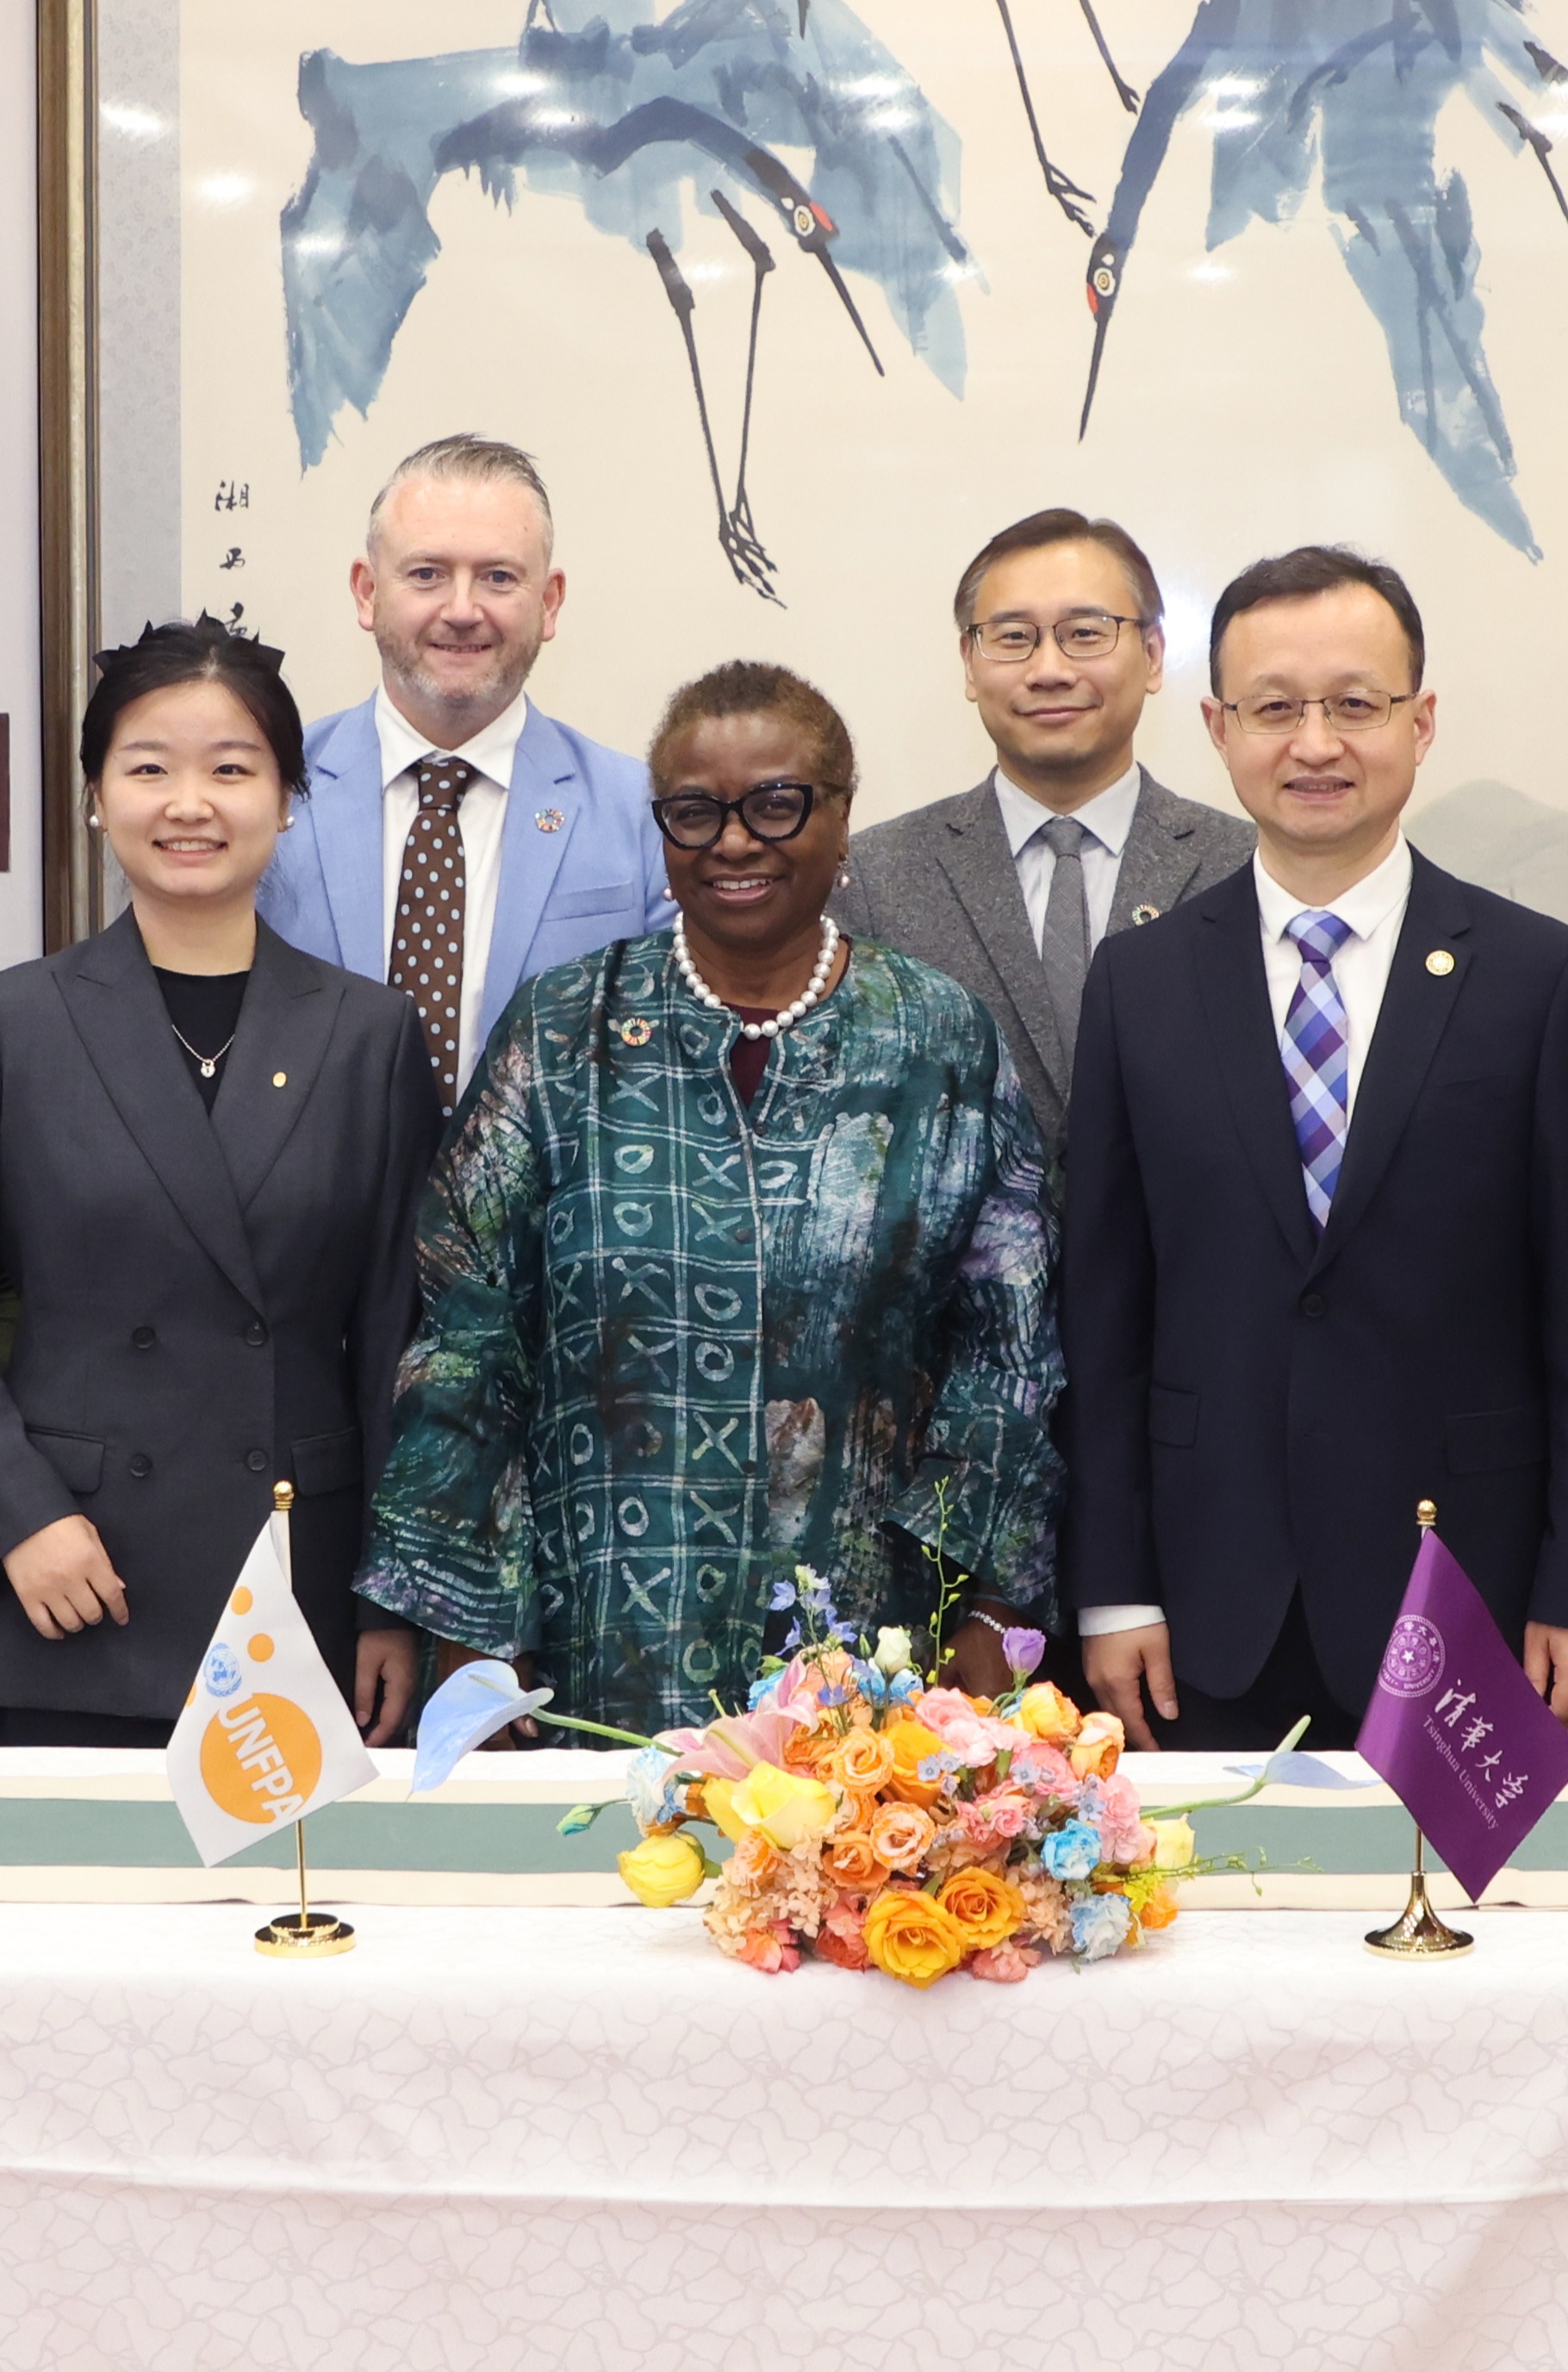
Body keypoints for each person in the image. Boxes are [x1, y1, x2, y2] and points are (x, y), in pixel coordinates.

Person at [366, 661, 1058, 1717]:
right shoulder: (561, 1032)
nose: (733, 841)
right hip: (592, 1652)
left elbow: (1005, 1351)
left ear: (840, 818)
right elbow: (465, 1342)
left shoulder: (938, 1038)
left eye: (776, 804)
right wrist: (467, 1628)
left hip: (866, 1668)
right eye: (694, 812)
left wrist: (985, 1604)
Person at [1058, 546, 1568, 1740]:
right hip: (1205, 1597)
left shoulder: (1540, 980)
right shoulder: (1139, 981)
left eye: (1355, 704)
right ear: (1219, 729)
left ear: (1419, 722)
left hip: (1467, 1583)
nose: (1315, 742)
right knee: (1212, 1871)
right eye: (1274, 708)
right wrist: (1112, 1585)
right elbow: (1105, 1315)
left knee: (1456, 1873)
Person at [0, 620, 439, 1740]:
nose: (190, 803)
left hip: (295, 1575)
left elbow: (401, 1342)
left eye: (231, 768)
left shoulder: (368, 1033)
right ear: (96, 796)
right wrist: (17, 1513)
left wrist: (393, 1599)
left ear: (287, 798)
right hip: (74, 1571)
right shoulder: (12, 1021)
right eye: (148, 768)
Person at [261, 433, 669, 1099]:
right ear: (366, 592)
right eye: (426, 574)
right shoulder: (271, 793)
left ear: (550, 602)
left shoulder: (644, 812)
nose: (460, 610)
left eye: (498, 577)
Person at [838, 505, 1254, 1140]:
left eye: (1085, 633)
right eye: (1013, 637)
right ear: (969, 663)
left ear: (1152, 655)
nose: (1050, 671)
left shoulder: (1246, 864)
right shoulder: (874, 877)